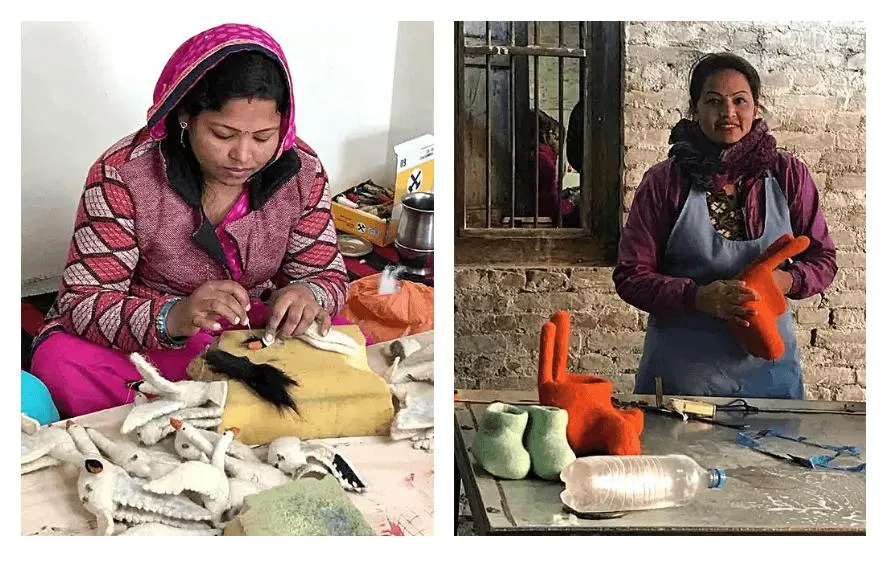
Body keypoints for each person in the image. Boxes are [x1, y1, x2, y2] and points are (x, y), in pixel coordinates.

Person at [30, 24, 349, 418]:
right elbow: (83, 301)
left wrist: (308, 295)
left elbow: (328, 277)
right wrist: (175, 316)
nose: (244, 156)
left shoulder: (301, 170)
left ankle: (212, 408)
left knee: (349, 338)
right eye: (223, 133)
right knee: (61, 364)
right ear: (185, 115)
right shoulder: (122, 174)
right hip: (151, 336)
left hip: (249, 331)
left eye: (264, 137)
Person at [613, 53, 837, 399]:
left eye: (739, 101)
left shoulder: (788, 175)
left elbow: (824, 259)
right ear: (695, 108)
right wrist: (699, 297)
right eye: (714, 101)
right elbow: (630, 275)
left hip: (771, 379)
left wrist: (783, 280)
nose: (728, 113)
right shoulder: (665, 182)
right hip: (682, 378)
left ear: (756, 107)